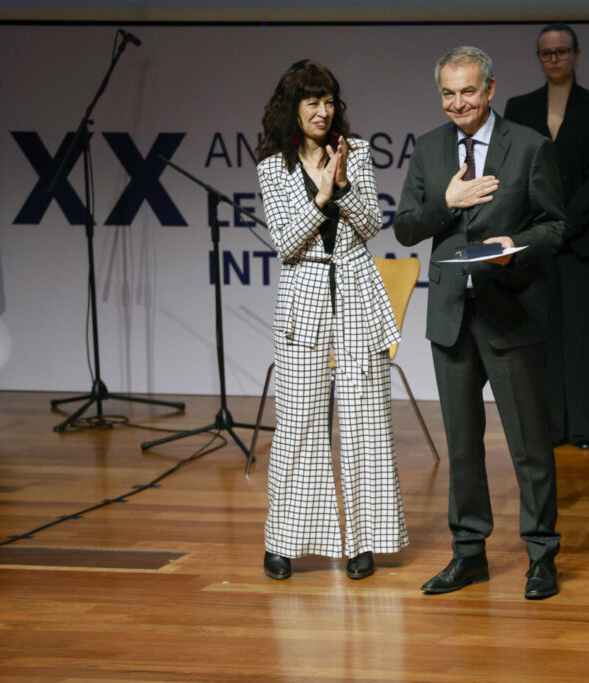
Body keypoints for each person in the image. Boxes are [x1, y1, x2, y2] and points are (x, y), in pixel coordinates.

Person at [394, 46, 572, 600]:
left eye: (467, 91)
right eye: (448, 93)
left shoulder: (530, 147)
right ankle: (468, 553)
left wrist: (513, 247)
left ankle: (542, 555)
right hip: (452, 317)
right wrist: (446, 202)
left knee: (528, 444)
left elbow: (555, 226)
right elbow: (404, 228)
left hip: (511, 312)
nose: (457, 103)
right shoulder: (427, 150)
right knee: (463, 445)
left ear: (490, 90)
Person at [254, 59, 407, 582]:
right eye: (312, 102)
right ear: (292, 108)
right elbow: (286, 240)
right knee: (298, 423)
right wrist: (319, 196)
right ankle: (284, 541)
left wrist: (340, 186)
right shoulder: (274, 165)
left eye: (329, 102)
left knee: (366, 421)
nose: (323, 112)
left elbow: (370, 224)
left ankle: (362, 542)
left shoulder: (355, 151)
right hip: (304, 298)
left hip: (356, 289)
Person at [504, 22, 589, 450]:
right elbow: (513, 174)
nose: (555, 59)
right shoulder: (519, 107)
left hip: (583, 239)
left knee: (586, 337)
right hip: (535, 241)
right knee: (542, 337)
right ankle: (549, 428)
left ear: (576, 55)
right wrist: (541, 230)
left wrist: (562, 225)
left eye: (562, 51)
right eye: (547, 53)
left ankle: (588, 427)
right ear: (539, 58)